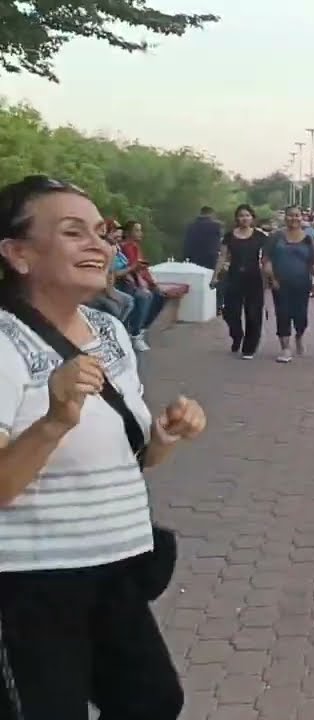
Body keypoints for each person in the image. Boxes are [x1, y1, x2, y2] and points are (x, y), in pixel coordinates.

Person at [0, 174, 207, 720]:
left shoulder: (107, 330)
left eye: (102, 232)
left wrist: (164, 436)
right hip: (29, 584)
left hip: (114, 569)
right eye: (74, 233)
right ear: (19, 254)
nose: (99, 246)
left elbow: (129, 464)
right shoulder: (4, 341)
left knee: (151, 701)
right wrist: (54, 420)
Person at [264, 206, 314, 363]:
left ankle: (299, 336)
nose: (294, 218)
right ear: (285, 217)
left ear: (302, 218)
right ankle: (285, 348)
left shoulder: (308, 238)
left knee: (301, 316)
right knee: (283, 314)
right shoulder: (276, 237)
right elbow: (266, 260)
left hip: (302, 283)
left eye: (297, 215)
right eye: (290, 216)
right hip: (280, 283)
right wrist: (272, 279)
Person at [214, 205, 269, 359]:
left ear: (252, 218)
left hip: (254, 278)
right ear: (237, 218)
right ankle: (237, 335)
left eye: (247, 215)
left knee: (253, 313)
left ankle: (249, 347)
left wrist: (269, 276)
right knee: (230, 312)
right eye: (241, 215)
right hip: (234, 277)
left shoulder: (260, 236)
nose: (244, 218)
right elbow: (222, 257)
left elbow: (266, 259)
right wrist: (215, 275)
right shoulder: (229, 236)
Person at [116, 220, 162, 351]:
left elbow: (143, 269)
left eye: (140, 230)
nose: (140, 233)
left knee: (159, 295)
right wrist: (142, 285)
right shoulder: (124, 247)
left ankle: (141, 329)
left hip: (137, 281)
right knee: (144, 296)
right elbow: (132, 268)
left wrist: (153, 284)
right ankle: (135, 333)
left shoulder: (135, 247)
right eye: (137, 230)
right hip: (126, 283)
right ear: (128, 232)